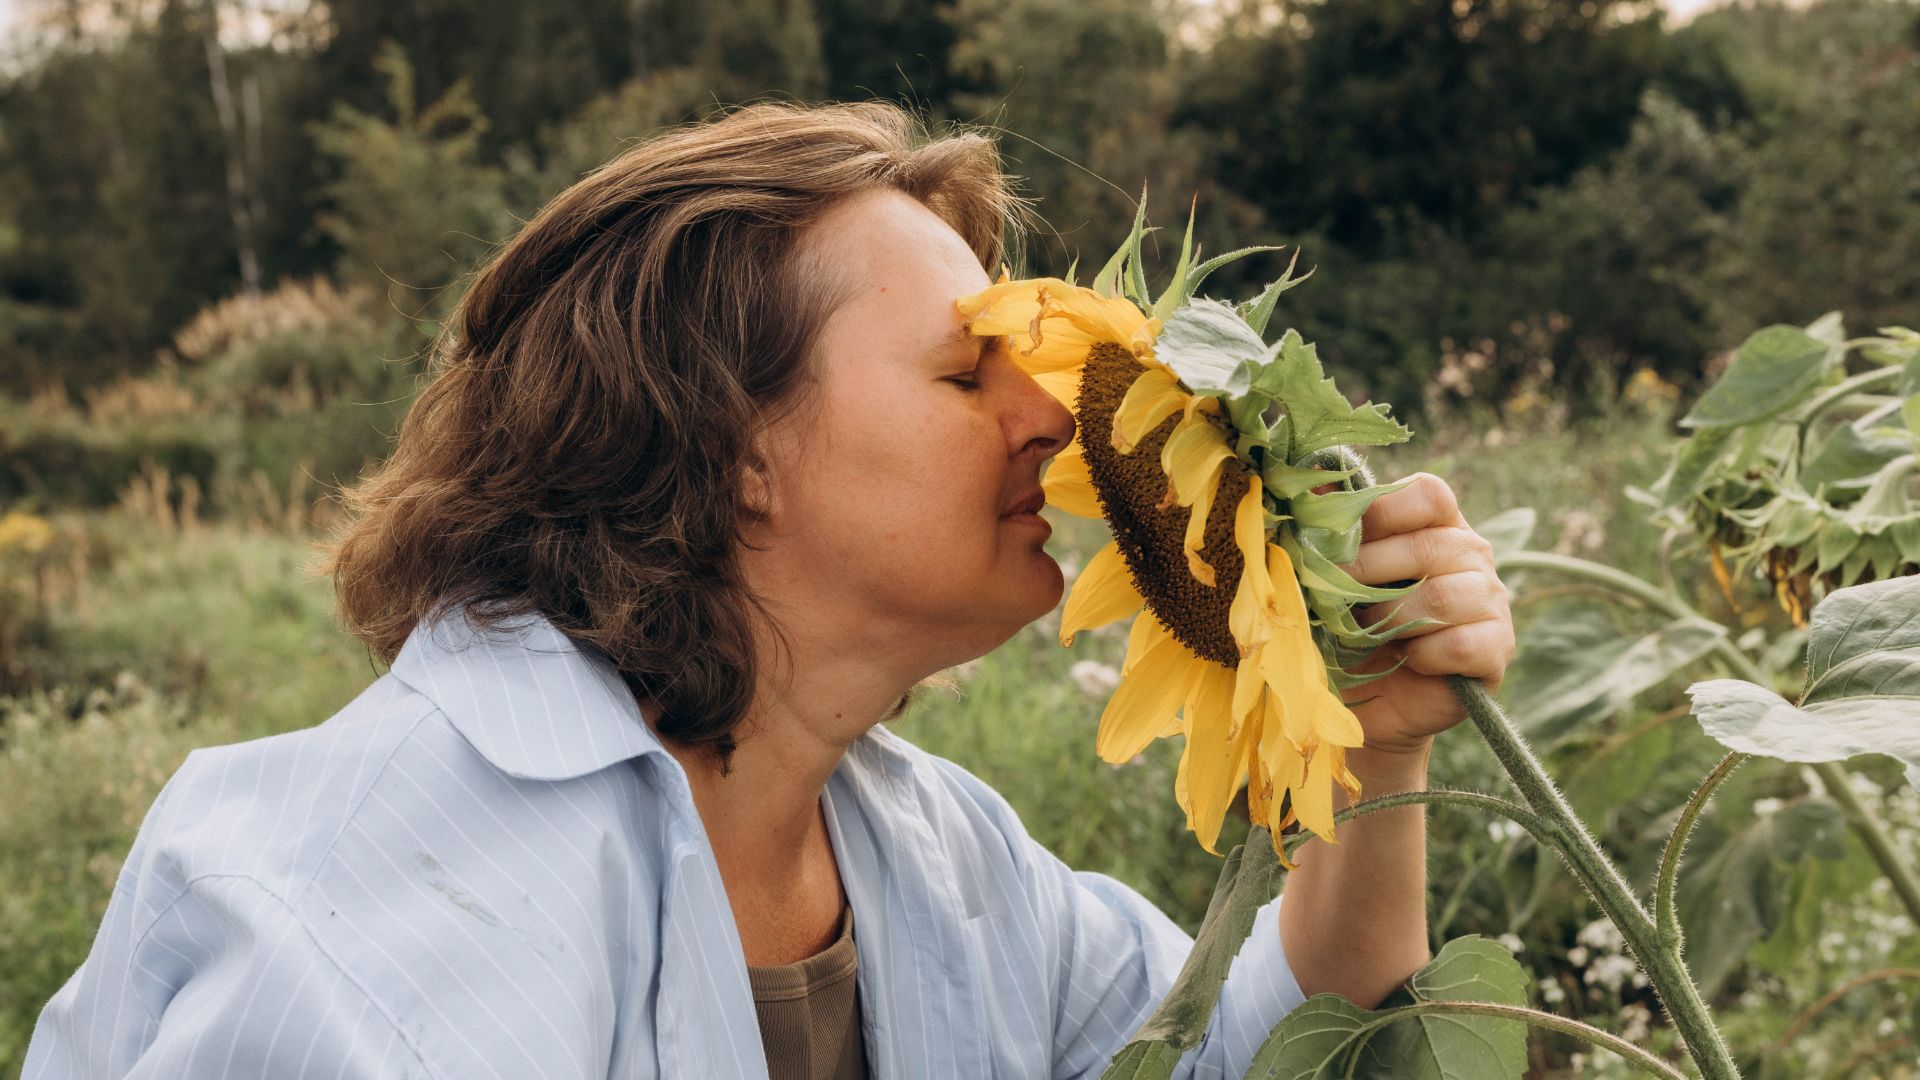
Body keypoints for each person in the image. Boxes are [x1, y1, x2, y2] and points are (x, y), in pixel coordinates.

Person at [23, 101, 1514, 1079]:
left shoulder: (930, 848)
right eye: (960, 374)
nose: (1062, 426)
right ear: (725, 438)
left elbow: (1237, 1057)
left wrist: (1374, 755)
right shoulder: (373, 910)